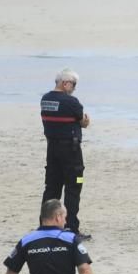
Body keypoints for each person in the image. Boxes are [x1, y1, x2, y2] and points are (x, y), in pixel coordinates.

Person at [40, 68, 91, 239]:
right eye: (73, 85)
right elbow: (83, 121)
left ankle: (45, 225)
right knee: (73, 188)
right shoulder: (72, 102)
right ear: (65, 83)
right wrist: (85, 121)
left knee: (52, 188)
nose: (74, 89)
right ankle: (71, 228)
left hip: (52, 149)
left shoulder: (45, 100)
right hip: (71, 150)